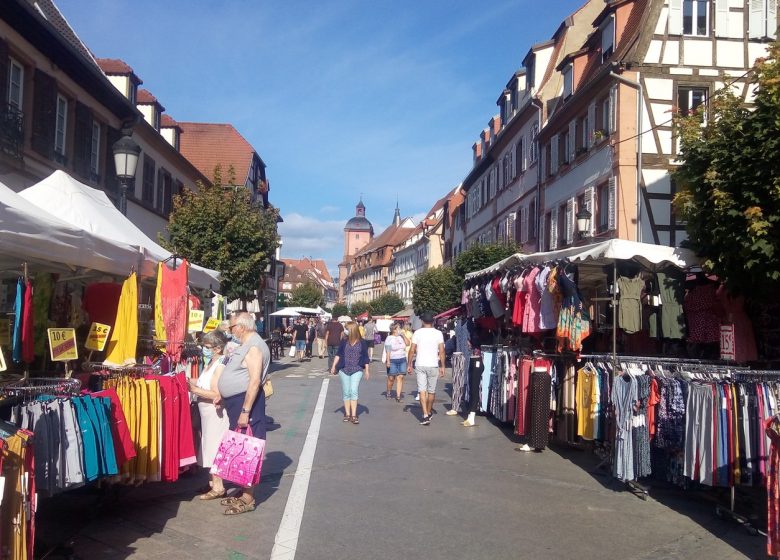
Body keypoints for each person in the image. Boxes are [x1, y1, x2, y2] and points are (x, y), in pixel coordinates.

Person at [216, 312, 270, 515]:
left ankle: (248, 497)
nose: (231, 331)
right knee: (240, 447)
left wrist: (245, 410)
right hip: (236, 401)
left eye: (232, 328)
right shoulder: (247, 344)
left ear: (242, 326)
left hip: (245, 403)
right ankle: (243, 489)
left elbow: (254, 380)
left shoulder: (254, 346)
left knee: (249, 446)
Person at [188, 330, 230, 500]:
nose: (204, 349)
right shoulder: (211, 362)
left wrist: (195, 390)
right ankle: (213, 482)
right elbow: (201, 381)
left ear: (217, 348)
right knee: (208, 446)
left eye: (207, 346)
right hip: (206, 413)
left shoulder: (220, 364)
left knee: (214, 448)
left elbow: (216, 393)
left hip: (215, 413)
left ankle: (219, 487)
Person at [407, 312, 445, 425]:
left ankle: (424, 414)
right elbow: (442, 351)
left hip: (420, 364)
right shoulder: (438, 333)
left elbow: (412, 349)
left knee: (422, 390)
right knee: (431, 391)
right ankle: (428, 412)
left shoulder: (417, 333)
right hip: (433, 364)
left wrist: (409, 364)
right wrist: (442, 366)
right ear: (433, 322)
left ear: (423, 321)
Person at [330, 322, 370, 424]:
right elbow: (338, 354)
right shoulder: (344, 341)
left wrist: (367, 370)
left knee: (353, 390)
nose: (345, 331)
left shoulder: (362, 342)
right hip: (344, 369)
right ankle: (347, 414)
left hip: (357, 369)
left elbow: (365, 357)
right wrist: (334, 366)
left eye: (347, 329)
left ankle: (354, 415)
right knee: (346, 391)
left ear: (352, 330)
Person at [384, 323, 408, 402]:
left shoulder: (401, 337)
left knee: (400, 377)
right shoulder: (389, 338)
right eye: (398, 328)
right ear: (394, 330)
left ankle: (398, 396)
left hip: (402, 359)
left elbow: (408, 343)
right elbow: (388, 350)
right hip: (392, 360)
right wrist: (388, 361)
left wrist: (403, 335)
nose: (400, 329)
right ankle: (388, 391)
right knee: (391, 378)